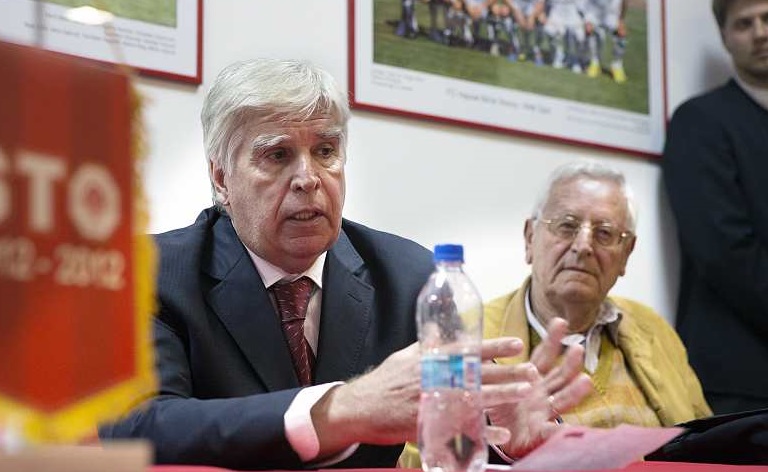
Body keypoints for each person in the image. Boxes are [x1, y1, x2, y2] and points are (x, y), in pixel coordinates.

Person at [99, 59, 591, 469]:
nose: (308, 178)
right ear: (222, 178)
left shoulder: (408, 275)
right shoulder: (152, 272)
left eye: (326, 151)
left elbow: (466, 425)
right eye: (277, 155)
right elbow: (136, 427)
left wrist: (505, 437)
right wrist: (339, 409)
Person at [485, 161, 711, 428]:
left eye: (604, 233)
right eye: (567, 226)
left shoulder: (653, 329)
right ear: (529, 238)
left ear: (626, 253)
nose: (583, 246)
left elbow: (708, 439)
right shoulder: (472, 340)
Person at [662, 0, 768, 415]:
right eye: (744, 24)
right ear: (724, 36)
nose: (760, 33)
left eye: (767, 19)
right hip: (739, 380)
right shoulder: (700, 122)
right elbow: (724, 252)